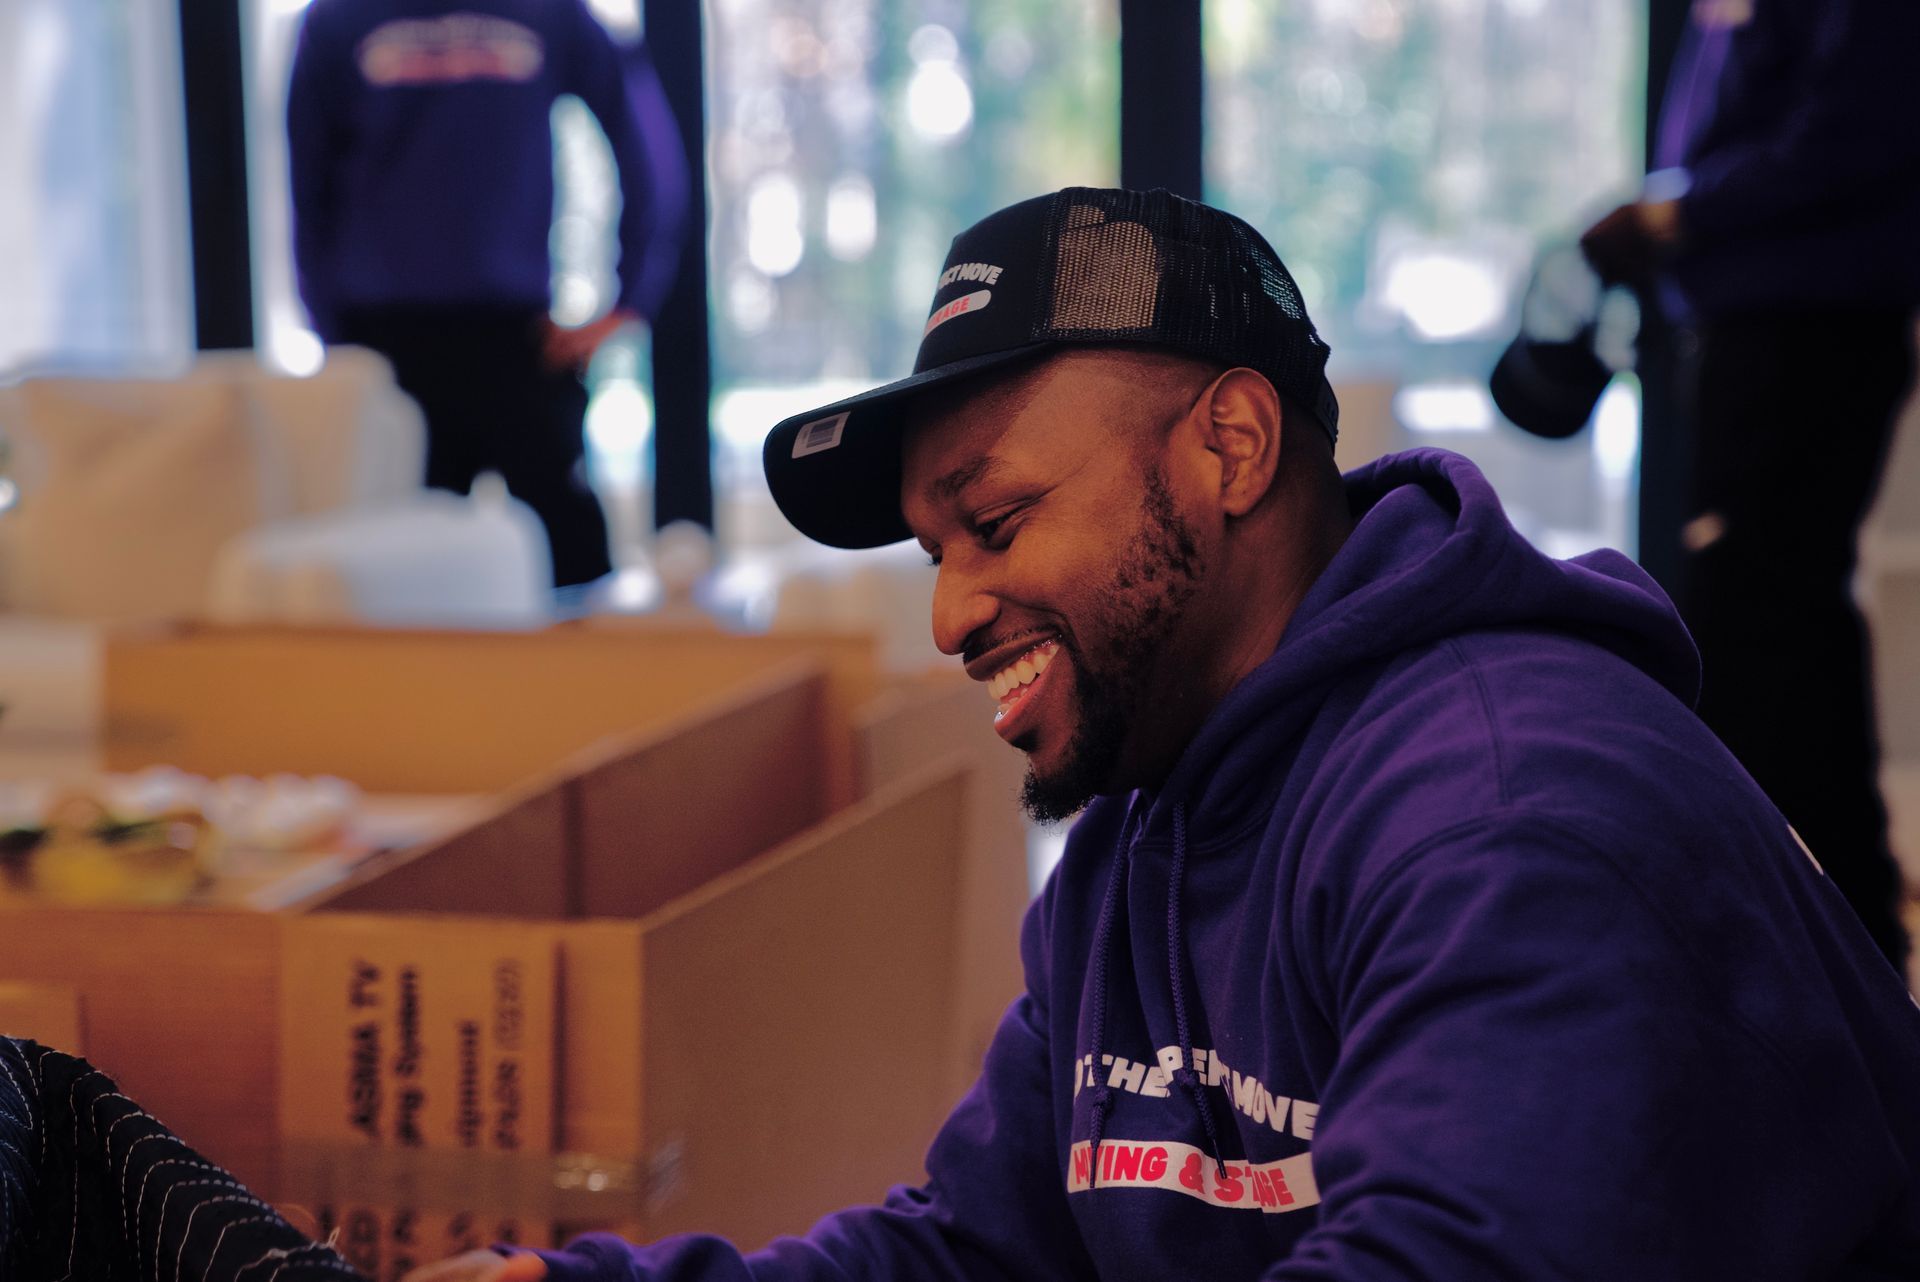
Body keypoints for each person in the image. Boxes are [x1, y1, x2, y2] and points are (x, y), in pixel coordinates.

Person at [410, 189, 1920, 1281]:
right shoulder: (1150, 819)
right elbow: (987, 1249)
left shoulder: (1510, 815)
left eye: (995, 522)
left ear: (1232, 446)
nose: (946, 617)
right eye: (935, 552)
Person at [1579, 0, 1920, 971]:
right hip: (1739, 326)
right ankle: (1803, 934)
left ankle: (1828, 939)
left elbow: (1860, 130)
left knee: (1765, 629)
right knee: (1758, 621)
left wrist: (1674, 211)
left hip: (1812, 327)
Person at [287, 0, 688, 589]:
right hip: (384, 342)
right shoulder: (337, 19)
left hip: (517, 336)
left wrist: (629, 300)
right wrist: (332, 337)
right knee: (399, 588)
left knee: (577, 575)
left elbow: (644, 146)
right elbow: (306, 186)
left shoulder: (551, 13)